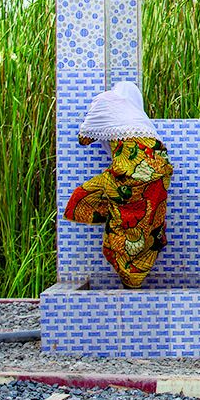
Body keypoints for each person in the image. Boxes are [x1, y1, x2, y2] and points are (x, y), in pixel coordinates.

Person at [64, 82, 172, 289]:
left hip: (133, 172)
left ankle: (130, 275)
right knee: (147, 222)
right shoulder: (141, 121)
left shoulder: (107, 102)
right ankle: (134, 274)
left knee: (96, 204)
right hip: (159, 172)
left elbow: (83, 139)